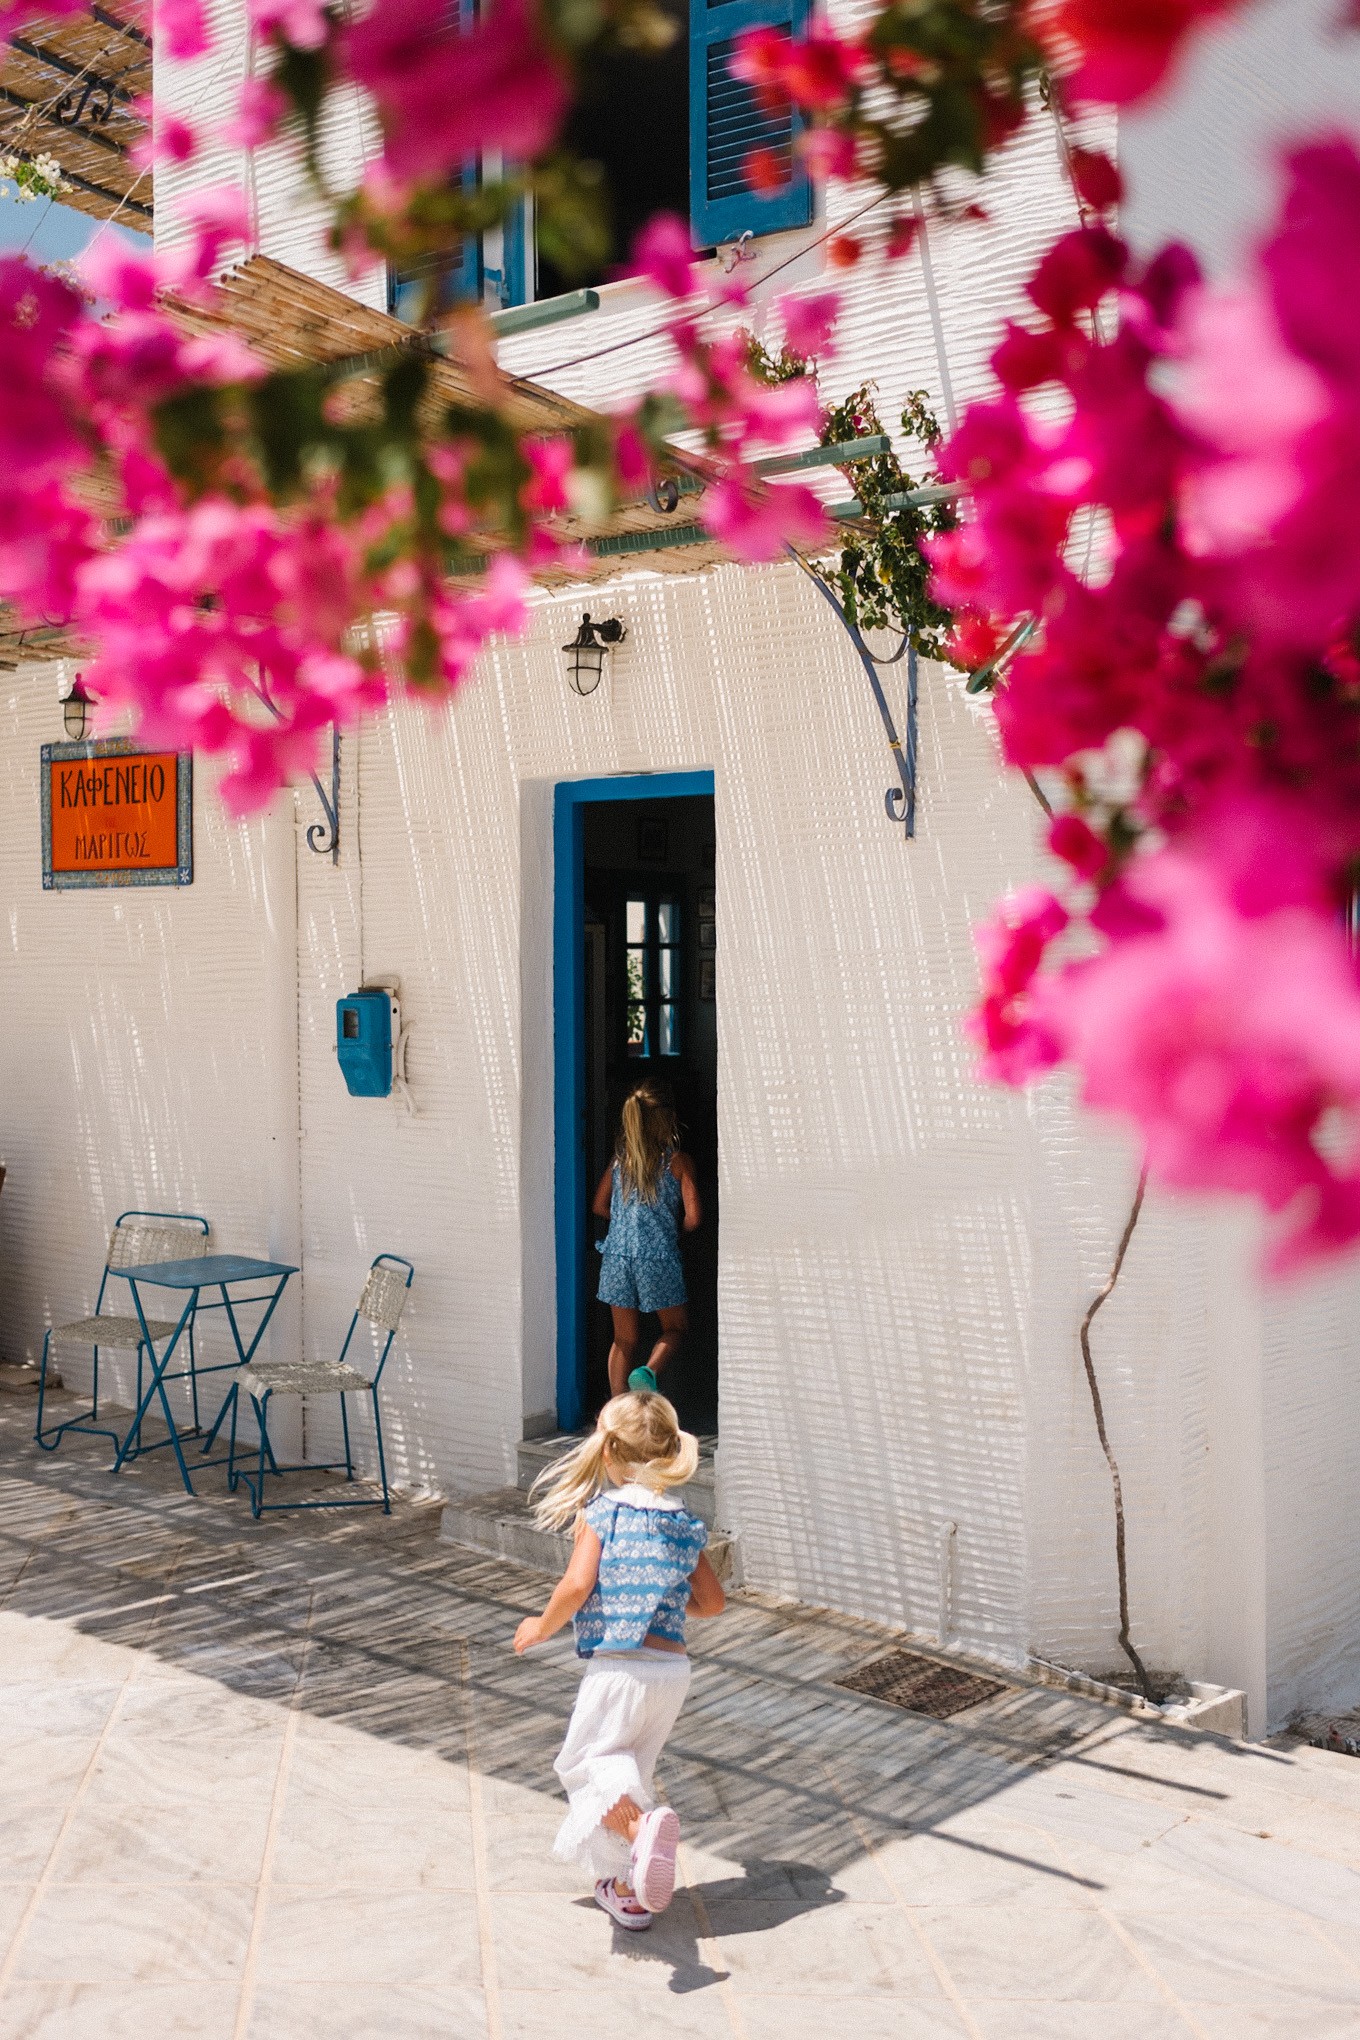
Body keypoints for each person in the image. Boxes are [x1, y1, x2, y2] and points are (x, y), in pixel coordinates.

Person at [512, 1391, 726, 1929]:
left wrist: (540, 1625)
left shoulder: (602, 1512)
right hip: (672, 1674)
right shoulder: (683, 1522)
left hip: (620, 1670)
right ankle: (629, 1890)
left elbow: (577, 1584)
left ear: (608, 1453)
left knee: (585, 1765)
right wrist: (663, 1599)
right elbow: (713, 1603)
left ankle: (641, 1832)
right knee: (628, 1775)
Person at [592, 1080, 701, 1396]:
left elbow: (599, 1205)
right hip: (657, 1257)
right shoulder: (677, 1162)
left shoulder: (620, 1160)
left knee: (623, 1338)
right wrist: (668, 1229)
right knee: (675, 1327)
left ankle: (615, 1409)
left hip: (616, 1255)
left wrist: (628, 1227)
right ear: (667, 1118)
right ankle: (648, 1372)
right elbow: (693, 1219)